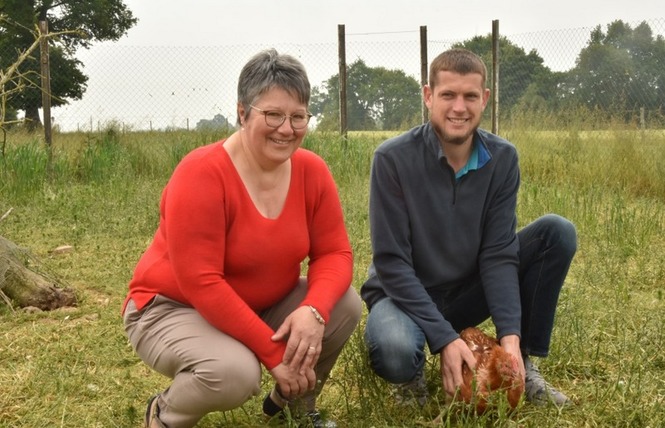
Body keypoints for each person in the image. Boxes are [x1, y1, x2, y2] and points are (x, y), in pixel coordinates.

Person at [122, 48, 362, 428]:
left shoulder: (312, 171)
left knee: (342, 305)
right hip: (174, 307)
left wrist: (313, 310)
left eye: (298, 116)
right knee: (235, 373)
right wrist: (273, 355)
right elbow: (201, 282)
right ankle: (165, 416)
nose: (287, 129)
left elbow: (334, 251)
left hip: (260, 304)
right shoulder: (201, 173)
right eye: (273, 115)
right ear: (242, 112)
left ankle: (297, 404)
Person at [360, 48, 577, 408]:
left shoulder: (503, 158)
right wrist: (445, 339)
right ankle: (410, 379)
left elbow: (498, 253)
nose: (459, 107)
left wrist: (509, 336)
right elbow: (392, 264)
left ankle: (524, 363)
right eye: (448, 95)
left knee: (556, 232)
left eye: (470, 96)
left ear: (485, 99)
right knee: (396, 351)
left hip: (464, 291)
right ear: (429, 95)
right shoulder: (392, 159)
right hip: (403, 297)